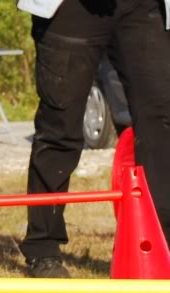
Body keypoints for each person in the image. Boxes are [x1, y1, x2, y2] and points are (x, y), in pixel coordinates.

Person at [16, 0, 170, 278]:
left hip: (146, 8)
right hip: (70, 7)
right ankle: (43, 249)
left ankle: (163, 244)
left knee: (161, 124)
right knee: (59, 128)